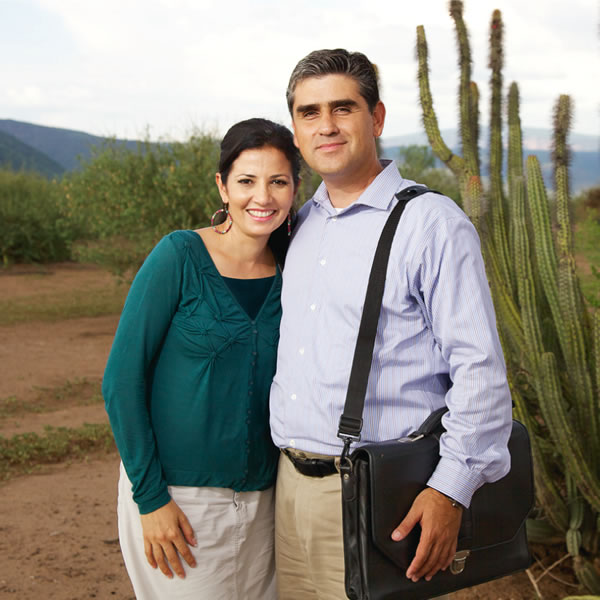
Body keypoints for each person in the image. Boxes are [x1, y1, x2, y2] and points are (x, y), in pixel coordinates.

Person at [269, 48, 513, 599]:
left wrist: (450, 491)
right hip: (288, 490)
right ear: (296, 130)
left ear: (376, 118)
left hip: (381, 495)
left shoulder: (430, 224)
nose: (326, 126)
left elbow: (479, 371)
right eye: (309, 112)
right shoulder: (300, 225)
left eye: (343, 108)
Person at [102, 117, 300, 600]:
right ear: (223, 186)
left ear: (295, 187)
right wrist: (151, 499)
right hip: (180, 502)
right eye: (247, 181)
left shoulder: (294, 269)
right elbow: (121, 381)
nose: (263, 196)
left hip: (268, 502)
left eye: (278, 182)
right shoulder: (179, 256)